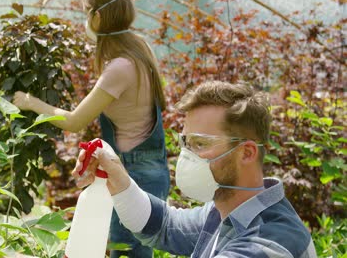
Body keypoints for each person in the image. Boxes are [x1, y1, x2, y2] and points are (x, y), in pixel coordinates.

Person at [73, 81, 317, 257]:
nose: (187, 156)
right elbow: (164, 225)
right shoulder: (225, 212)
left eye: (200, 144)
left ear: (247, 152)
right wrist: (117, 176)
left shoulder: (271, 242)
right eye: (186, 143)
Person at [13, 0, 169, 257]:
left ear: (97, 17)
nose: (85, 19)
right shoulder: (139, 48)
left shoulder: (120, 67)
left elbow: (74, 121)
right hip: (151, 167)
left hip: (135, 172)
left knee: (126, 251)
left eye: (87, 12)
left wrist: (31, 102)